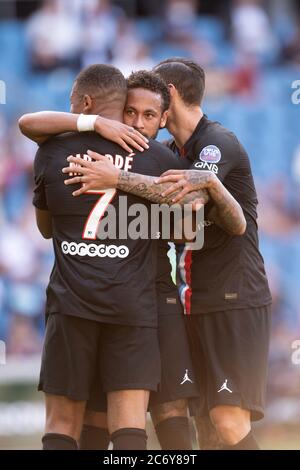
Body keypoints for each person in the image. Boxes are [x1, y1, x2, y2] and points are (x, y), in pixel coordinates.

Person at [20, 67, 246, 450]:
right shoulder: (157, 158)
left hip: (72, 303)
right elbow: (191, 227)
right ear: (120, 107)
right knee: (130, 424)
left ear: (85, 104)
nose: (137, 122)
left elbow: (45, 227)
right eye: (131, 112)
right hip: (132, 306)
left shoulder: (51, 150)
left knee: (65, 422)